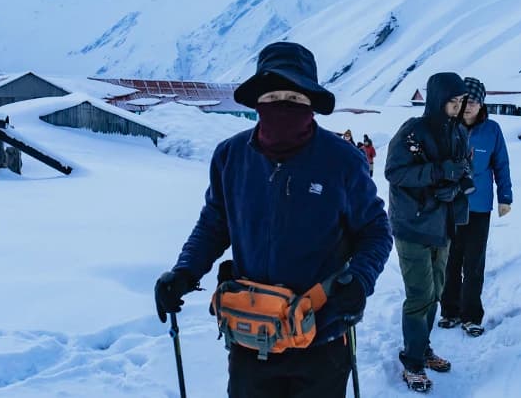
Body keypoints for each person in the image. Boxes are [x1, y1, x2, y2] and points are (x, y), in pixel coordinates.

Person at [154, 42, 392, 398]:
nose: (283, 105)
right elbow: (215, 222)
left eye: (294, 98)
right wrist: (186, 271)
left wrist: (359, 280)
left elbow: (376, 231)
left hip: (321, 335)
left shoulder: (342, 160)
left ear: (311, 101)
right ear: (258, 101)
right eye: (274, 94)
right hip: (251, 335)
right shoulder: (231, 156)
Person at [385, 72, 476, 393]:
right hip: (412, 224)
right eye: (452, 101)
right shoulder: (413, 131)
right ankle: (412, 363)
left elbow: (465, 166)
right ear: (437, 100)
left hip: (444, 223)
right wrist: (437, 172)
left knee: (436, 290)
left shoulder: (459, 133)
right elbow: (394, 172)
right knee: (420, 294)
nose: (457, 107)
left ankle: (421, 347)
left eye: (460, 101)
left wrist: (455, 187)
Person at [437, 77, 513, 337]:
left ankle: (471, 316)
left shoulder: (492, 131)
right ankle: (449, 311)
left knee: (474, 264)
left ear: (482, 105)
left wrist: (506, 197)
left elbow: (501, 165)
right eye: (465, 101)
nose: (469, 106)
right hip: (450, 205)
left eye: (475, 102)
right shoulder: (447, 127)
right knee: (450, 261)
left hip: (479, 208)